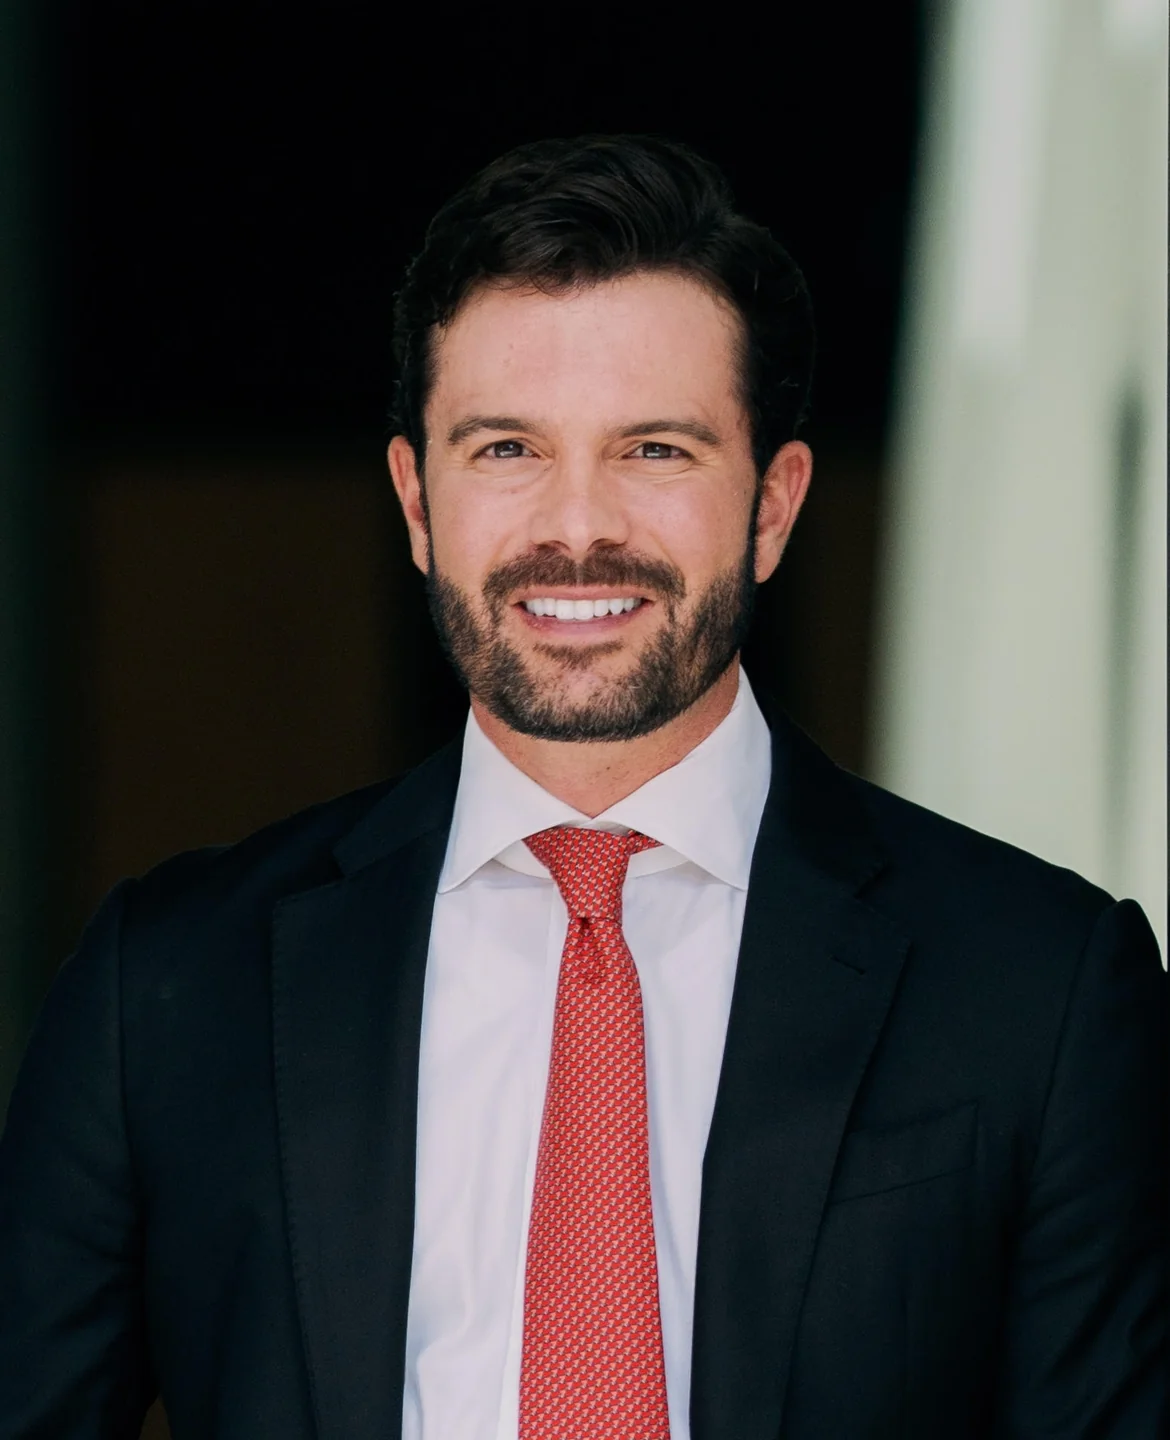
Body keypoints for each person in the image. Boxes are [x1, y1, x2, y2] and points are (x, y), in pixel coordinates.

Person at [0, 135, 1164, 1440]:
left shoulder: (1041, 989)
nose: (576, 525)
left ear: (772, 506)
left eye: (654, 450)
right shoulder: (165, 986)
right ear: (416, 501)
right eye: (506, 448)